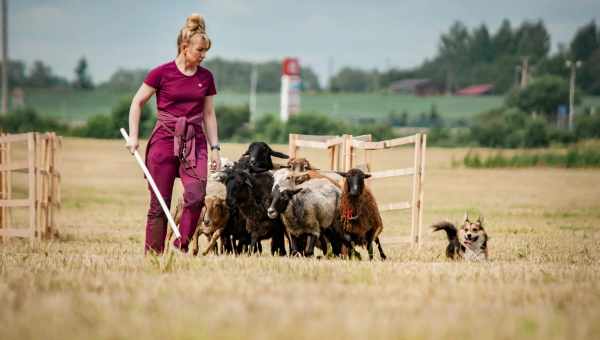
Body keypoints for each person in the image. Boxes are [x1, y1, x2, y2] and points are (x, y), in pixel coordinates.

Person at [126, 13, 221, 254]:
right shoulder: (161, 73)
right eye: (200, 50)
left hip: (194, 140)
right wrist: (134, 137)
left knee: (196, 194)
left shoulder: (206, 77)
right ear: (184, 46)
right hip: (164, 140)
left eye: (205, 51)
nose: (203, 55)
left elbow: (209, 114)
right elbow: (137, 102)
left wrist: (215, 148)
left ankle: (183, 242)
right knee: (159, 203)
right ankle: (154, 255)